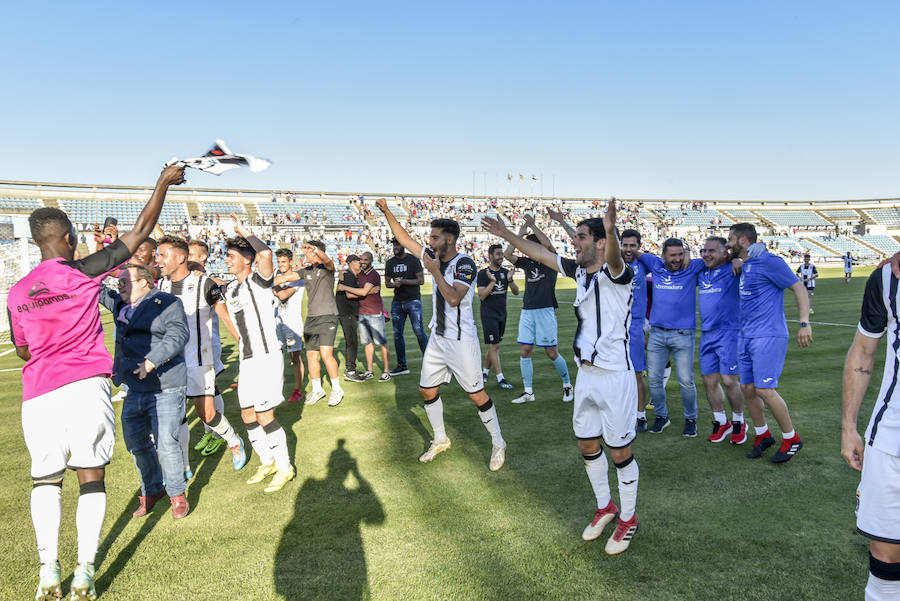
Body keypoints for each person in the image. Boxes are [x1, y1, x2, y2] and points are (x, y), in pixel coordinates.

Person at [8, 163, 184, 600]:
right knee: (91, 477)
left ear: (35, 241)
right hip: (85, 385)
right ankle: (85, 572)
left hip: (38, 394)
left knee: (45, 479)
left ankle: (48, 569)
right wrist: (162, 182)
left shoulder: (17, 290)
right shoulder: (83, 270)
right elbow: (142, 230)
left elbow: (23, 350)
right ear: (68, 238)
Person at [483, 198, 640, 555]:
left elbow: (613, 257)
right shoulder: (580, 271)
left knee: (619, 451)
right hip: (586, 374)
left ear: (600, 241)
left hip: (615, 376)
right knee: (587, 444)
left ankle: (629, 518)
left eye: (581, 236)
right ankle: (606, 507)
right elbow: (539, 254)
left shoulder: (619, 273)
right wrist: (506, 232)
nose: (574, 241)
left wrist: (612, 230)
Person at [374, 198, 507, 471]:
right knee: (426, 389)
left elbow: (454, 299)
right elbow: (405, 238)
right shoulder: (431, 256)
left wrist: (434, 272)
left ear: (449, 240)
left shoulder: (465, 263)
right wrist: (387, 211)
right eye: (430, 237)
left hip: (461, 341)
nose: (429, 241)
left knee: (477, 395)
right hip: (438, 337)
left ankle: (498, 442)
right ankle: (441, 438)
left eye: (435, 237)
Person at [100, 263, 191, 519]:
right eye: (119, 283)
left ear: (144, 282)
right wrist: (103, 264)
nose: (120, 287)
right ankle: (152, 489)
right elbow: (94, 288)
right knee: (136, 443)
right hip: (134, 386)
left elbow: (178, 334)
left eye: (125, 281)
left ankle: (177, 495)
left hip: (166, 385)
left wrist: (152, 360)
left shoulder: (167, 302)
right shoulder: (120, 303)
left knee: (166, 442)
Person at [156, 236, 248, 472]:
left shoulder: (206, 284)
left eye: (163, 255)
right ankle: (183, 466)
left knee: (206, 413)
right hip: (169, 363)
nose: (158, 260)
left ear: (180, 257)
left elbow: (225, 316)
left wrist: (244, 345)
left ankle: (234, 441)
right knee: (175, 418)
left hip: (198, 359)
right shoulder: (160, 285)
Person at [726, 223, 812, 462]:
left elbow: (799, 288)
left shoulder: (770, 262)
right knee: (747, 388)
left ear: (743, 240)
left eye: (730, 239)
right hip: (746, 336)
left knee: (764, 389)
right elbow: (727, 258)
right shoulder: (747, 263)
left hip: (768, 335)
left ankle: (791, 438)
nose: (727, 243)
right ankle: (762, 435)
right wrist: (737, 262)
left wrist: (804, 323)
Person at [222, 215, 295, 492]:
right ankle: (268, 461)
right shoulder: (231, 289)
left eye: (231, 256)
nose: (227, 260)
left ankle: (285, 467)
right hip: (248, 359)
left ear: (246, 259)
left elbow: (265, 253)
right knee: (247, 415)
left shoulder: (259, 280)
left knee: (265, 415)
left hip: (267, 357)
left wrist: (244, 231)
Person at [842, 264, 900, 601]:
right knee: (885, 559)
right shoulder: (886, 278)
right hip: (890, 439)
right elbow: (863, 351)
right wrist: (849, 427)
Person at [638, 239, 705, 436]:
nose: (677, 259)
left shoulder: (693, 267)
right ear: (663, 255)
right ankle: (661, 417)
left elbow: (719, 256)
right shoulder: (654, 264)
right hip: (657, 333)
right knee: (655, 380)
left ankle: (691, 419)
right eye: (672, 255)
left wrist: (737, 261)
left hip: (683, 334)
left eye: (680, 254)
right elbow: (634, 251)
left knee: (686, 381)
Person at [505, 214, 573, 404]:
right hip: (528, 310)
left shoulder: (550, 260)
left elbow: (549, 245)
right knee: (525, 350)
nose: (527, 251)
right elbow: (508, 255)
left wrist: (533, 226)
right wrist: (519, 233)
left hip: (545, 309)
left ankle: (567, 384)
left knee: (551, 352)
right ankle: (528, 392)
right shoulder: (527, 263)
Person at [278, 241, 344, 407]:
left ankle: (337, 389)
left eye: (308, 252)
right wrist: (262, 282)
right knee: (311, 355)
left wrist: (316, 250)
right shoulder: (305, 271)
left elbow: (328, 261)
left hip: (328, 316)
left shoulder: (327, 269)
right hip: (312, 318)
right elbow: (285, 277)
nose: (305, 254)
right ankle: (317, 389)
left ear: (316, 253)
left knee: (325, 354)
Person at [696, 237, 747, 444]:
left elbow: (747, 258)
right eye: (704, 250)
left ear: (725, 253)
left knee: (729, 380)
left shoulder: (733, 270)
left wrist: (739, 261)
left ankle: (738, 421)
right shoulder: (701, 271)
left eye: (712, 251)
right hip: (707, 333)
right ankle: (720, 421)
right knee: (709, 380)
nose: (707, 254)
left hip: (729, 332)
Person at [185, 239, 230, 457]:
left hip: (207, 346)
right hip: (191, 346)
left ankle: (218, 434)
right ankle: (210, 430)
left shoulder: (210, 281)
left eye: (191, 254)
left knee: (209, 389)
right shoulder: (185, 279)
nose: (187, 257)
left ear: (203, 257)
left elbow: (222, 296)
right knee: (200, 392)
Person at [620, 230, 651, 432]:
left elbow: (681, 256)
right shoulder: (613, 263)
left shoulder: (644, 263)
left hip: (636, 326)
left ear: (639, 246)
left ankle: (641, 416)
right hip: (613, 328)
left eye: (633, 245)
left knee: (637, 373)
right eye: (625, 245)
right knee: (616, 374)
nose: (628, 249)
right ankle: (621, 413)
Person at [477, 243, 519, 390]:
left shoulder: (505, 272)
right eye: (498, 254)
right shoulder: (483, 274)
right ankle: (501, 378)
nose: (501, 256)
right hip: (489, 314)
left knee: (493, 346)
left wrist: (510, 280)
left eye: (502, 254)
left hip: (502, 314)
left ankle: (484, 372)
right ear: (490, 256)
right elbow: (482, 296)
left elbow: (516, 292)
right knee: (495, 345)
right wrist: (493, 282)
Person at [384, 237, 428, 376]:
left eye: (397, 244)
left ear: (403, 245)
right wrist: (395, 284)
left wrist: (404, 282)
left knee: (419, 331)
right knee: (397, 335)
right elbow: (387, 283)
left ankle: (430, 362)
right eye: (394, 244)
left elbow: (421, 280)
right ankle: (402, 365)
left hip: (413, 301)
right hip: (397, 302)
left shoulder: (413, 260)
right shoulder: (390, 263)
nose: (395, 247)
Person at [273, 248, 306, 403]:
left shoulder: (297, 278)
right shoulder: (276, 276)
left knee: (295, 357)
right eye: (278, 262)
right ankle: (278, 384)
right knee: (275, 355)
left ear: (291, 262)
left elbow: (283, 295)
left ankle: (298, 389)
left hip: (292, 323)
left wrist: (272, 286)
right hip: (277, 322)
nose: (281, 265)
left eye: (284, 261)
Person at [356, 251, 392, 381]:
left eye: (365, 259)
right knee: (367, 343)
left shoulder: (374, 275)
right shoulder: (359, 274)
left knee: (382, 343)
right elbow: (360, 292)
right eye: (361, 259)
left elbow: (363, 292)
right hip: (362, 313)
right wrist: (364, 292)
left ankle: (387, 371)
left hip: (375, 313)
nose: (363, 262)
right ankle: (370, 370)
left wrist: (364, 292)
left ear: (371, 261)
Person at [335, 255, 364, 382]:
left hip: (348, 312)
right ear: (351, 263)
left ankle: (351, 368)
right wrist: (367, 292)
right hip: (346, 312)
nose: (361, 264)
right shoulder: (348, 275)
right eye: (358, 262)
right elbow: (350, 294)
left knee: (352, 340)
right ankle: (350, 371)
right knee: (351, 341)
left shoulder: (349, 275)